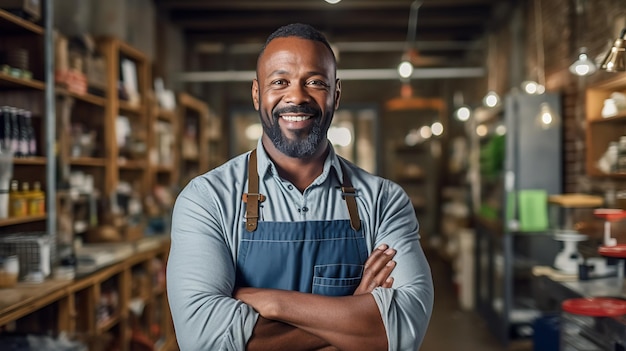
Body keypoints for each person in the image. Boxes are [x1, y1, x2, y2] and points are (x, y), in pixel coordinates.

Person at [166, 23, 434, 351]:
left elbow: (404, 329)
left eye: (315, 82)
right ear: (256, 94)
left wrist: (274, 304)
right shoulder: (207, 198)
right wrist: (355, 315)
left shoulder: (383, 200)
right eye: (280, 81)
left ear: (336, 94)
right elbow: (204, 340)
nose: (296, 96)